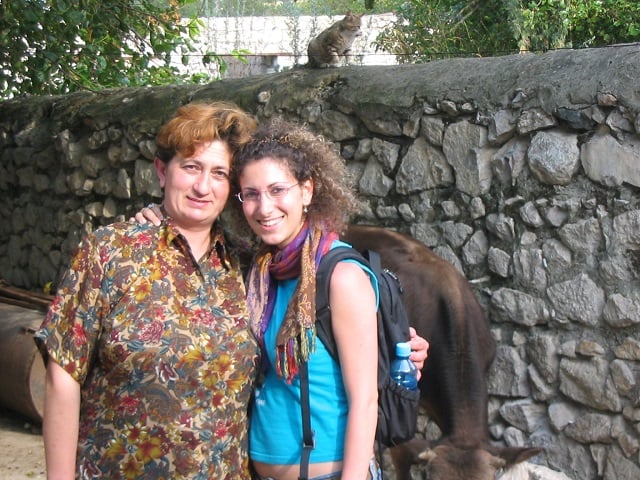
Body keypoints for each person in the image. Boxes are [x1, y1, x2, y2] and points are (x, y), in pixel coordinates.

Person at [134, 112, 431, 480]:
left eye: (278, 190)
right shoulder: (260, 272)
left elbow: (365, 401)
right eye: (252, 195)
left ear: (306, 190)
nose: (264, 208)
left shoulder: (339, 276)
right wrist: (156, 216)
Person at [34, 102, 262, 479]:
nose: (203, 186)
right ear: (162, 170)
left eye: (220, 173)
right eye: (191, 167)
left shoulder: (247, 266)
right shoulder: (110, 252)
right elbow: (63, 375)